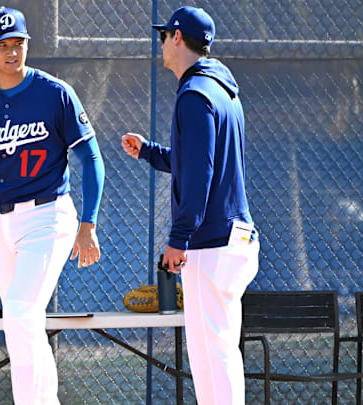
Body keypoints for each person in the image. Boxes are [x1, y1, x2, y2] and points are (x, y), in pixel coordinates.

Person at [0, 7, 105, 403]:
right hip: (1, 218)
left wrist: (89, 224)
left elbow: (92, 158)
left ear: (27, 44)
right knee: (19, 322)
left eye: (19, 44)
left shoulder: (55, 93)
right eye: (2, 46)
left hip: (49, 215)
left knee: (20, 310)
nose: (12, 52)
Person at [121, 6, 259, 405]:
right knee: (220, 354)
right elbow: (196, 161)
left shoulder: (194, 95)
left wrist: (178, 238)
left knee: (210, 359)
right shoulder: (220, 90)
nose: (161, 43)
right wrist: (149, 152)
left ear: (177, 38)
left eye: (165, 36)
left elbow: (199, 175)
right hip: (235, 238)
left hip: (211, 243)